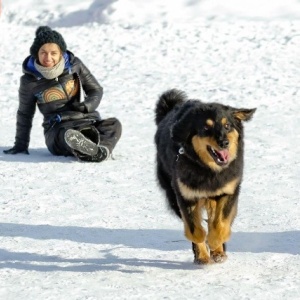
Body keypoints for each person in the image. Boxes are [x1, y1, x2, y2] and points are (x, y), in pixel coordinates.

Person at [4, 26, 122, 162]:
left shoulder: (74, 65)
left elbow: (95, 89)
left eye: (53, 53)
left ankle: (101, 150)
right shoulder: (29, 81)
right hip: (57, 129)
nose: (48, 58)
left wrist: (86, 106)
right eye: (43, 52)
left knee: (113, 124)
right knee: (69, 136)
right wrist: (20, 145)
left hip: (86, 120)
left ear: (61, 52)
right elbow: (25, 114)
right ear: (36, 53)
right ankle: (83, 147)